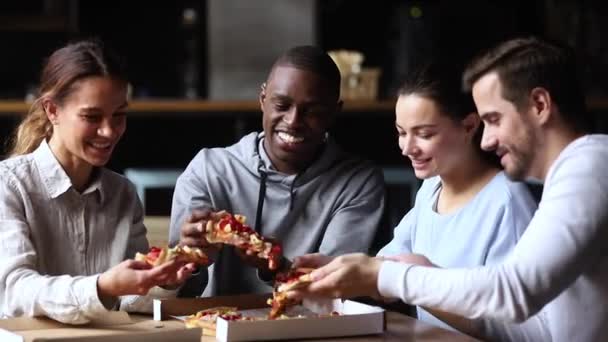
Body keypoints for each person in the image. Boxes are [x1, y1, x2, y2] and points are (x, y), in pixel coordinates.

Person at [292, 37, 607, 342]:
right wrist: (349, 272)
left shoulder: (592, 163)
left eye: (494, 120)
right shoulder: (575, 172)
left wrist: (383, 275)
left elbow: (513, 291)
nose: (486, 140)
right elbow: (532, 332)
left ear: (539, 105)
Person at [0, 40, 195, 324]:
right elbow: (14, 291)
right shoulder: (9, 185)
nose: (109, 131)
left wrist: (162, 279)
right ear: (52, 110)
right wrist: (102, 287)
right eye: (92, 116)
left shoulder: (123, 193)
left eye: (119, 115)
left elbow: (129, 298)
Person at [170, 45, 386, 296]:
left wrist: (277, 268)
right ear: (263, 99)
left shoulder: (358, 182)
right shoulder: (209, 170)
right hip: (217, 326)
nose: (293, 121)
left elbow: (338, 289)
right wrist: (189, 260)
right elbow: (179, 294)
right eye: (282, 105)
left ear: (334, 113)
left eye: (312, 111)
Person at [373, 62, 537, 330]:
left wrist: (416, 281)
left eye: (424, 134)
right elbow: (386, 263)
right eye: (402, 133)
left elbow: (516, 328)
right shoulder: (431, 189)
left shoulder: (506, 202)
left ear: (470, 126)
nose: (407, 148)